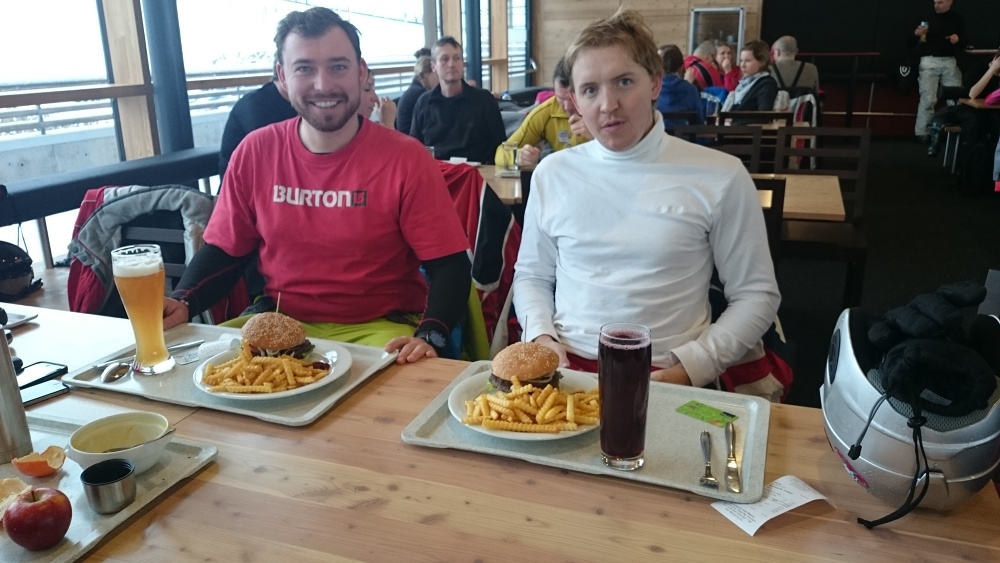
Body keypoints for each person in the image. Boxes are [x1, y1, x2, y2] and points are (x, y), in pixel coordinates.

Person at [163, 7, 471, 364]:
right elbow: (225, 251)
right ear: (282, 76)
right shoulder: (255, 151)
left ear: (361, 72)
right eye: (304, 68)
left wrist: (431, 334)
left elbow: (449, 265)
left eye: (338, 67)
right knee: (195, 372)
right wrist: (183, 301)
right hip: (278, 322)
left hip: (382, 327)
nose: (323, 85)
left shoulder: (407, 158)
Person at [512, 9, 785, 397]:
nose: (608, 104)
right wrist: (541, 338)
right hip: (568, 369)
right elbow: (532, 276)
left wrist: (692, 367)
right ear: (573, 101)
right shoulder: (552, 173)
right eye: (590, 90)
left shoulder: (721, 175)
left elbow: (757, 295)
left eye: (624, 82)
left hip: (673, 370)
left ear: (655, 82)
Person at [409, 36, 507, 163]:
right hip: (436, 171)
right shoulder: (423, 103)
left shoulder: (484, 100)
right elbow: (415, 149)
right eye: (445, 59)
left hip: (476, 171)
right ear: (433, 66)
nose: (451, 64)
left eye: (457, 58)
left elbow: (499, 149)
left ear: (462, 63)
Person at [493, 58, 591, 168]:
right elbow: (501, 153)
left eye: (573, 99)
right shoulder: (546, 112)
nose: (567, 107)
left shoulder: (602, 110)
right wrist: (520, 156)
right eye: (561, 98)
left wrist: (596, 137)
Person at [218, 69, 297, 179]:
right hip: (243, 182)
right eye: (304, 70)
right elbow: (276, 158)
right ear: (282, 74)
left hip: (278, 178)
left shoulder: (296, 103)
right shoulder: (256, 105)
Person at [913, 0, 965, 141]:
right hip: (929, 60)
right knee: (928, 98)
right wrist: (918, 34)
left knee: (955, 98)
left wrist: (958, 40)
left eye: (940, 2)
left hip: (949, 60)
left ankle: (956, 130)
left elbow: (965, 42)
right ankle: (922, 133)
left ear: (950, 2)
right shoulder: (927, 18)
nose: (936, 5)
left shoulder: (957, 19)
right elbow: (921, 40)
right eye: (935, 2)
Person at [656, 44, 705, 133]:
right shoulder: (691, 89)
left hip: (656, 138)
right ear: (681, 67)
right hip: (683, 139)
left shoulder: (652, 88)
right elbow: (699, 122)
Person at [724, 40, 779, 112]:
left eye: (748, 61)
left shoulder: (766, 84)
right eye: (741, 60)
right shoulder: (742, 83)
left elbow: (764, 114)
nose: (742, 65)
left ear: (762, 62)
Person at [395, 54, 438, 132]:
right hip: (411, 137)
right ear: (426, 73)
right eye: (437, 75)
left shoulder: (413, 90)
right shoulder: (421, 95)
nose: (439, 80)